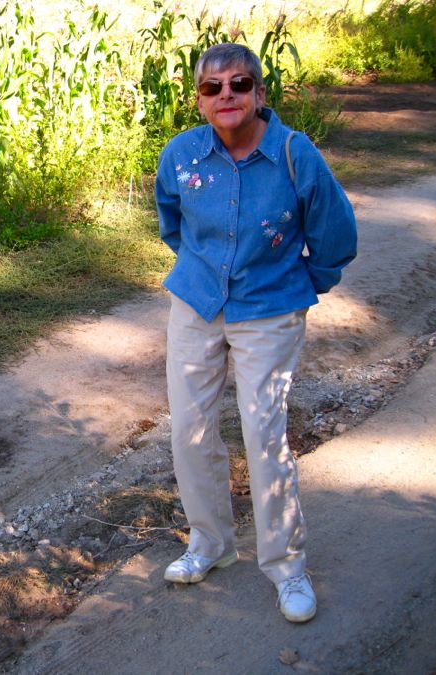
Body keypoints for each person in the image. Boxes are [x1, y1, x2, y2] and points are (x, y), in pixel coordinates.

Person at [155, 42, 356, 623]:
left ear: (260, 93)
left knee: (263, 435)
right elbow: (174, 220)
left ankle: (286, 566)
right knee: (190, 431)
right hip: (196, 303)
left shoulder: (295, 154)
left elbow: (336, 237)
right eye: (212, 88)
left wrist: (297, 284)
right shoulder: (181, 154)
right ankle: (211, 544)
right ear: (198, 99)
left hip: (268, 309)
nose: (226, 96)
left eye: (239, 84)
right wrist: (204, 268)